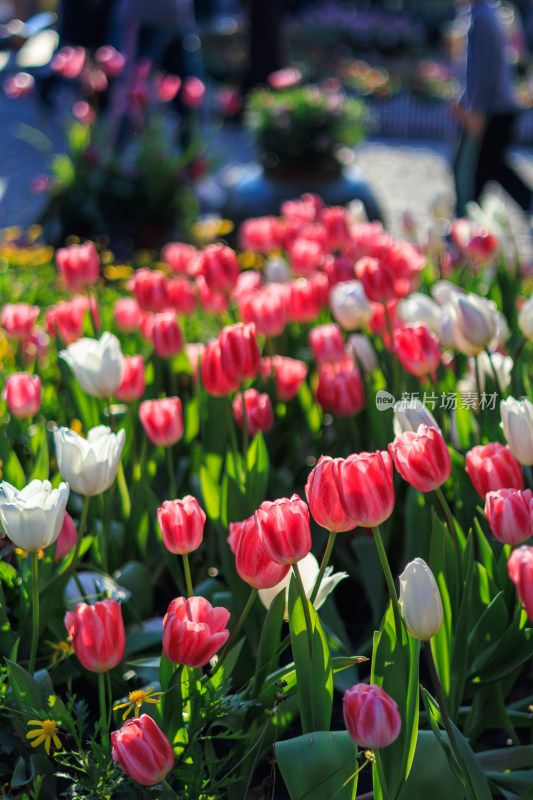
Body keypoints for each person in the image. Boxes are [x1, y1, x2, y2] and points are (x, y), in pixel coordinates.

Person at [453, 0, 533, 218]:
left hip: (494, 109)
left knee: (485, 167)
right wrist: (464, 100)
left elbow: (486, 71)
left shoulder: (482, 17)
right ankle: (468, 220)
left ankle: (468, 221)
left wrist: (476, 109)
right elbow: (475, 71)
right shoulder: (483, 13)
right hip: (494, 107)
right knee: (489, 167)